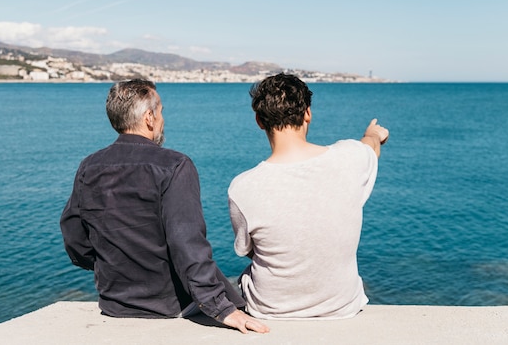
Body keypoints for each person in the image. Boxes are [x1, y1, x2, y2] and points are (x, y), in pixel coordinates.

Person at [60, 79, 268, 334]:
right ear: (149, 117)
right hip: (171, 305)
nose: (162, 119)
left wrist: (111, 265)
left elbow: (75, 238)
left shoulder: (88, 167)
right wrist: (221, 309)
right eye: (160, 111)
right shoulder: (174, 165)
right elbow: (187, 243)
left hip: (115, 303)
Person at [228, 73, 389, 320]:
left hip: (270, 310)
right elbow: (370, 147)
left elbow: (248, 250)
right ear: (308, 114)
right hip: (341, 307)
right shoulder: (350, 158)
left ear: (259, 120)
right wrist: (374, 133)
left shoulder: (242, 187)